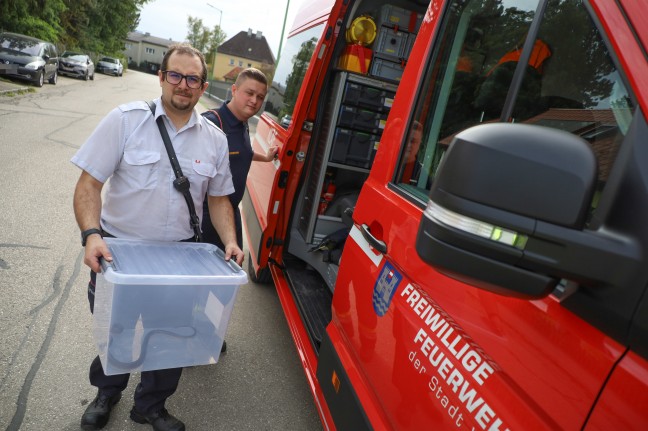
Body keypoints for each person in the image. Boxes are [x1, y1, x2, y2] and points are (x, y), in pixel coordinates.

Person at [71, 43, 244, 431]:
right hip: (119, 255)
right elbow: (88, 185)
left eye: (193, 78)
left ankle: (150, 406)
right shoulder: (125, 121)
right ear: (162, 77)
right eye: (176, 76)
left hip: (179, 260)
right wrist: (91, 235)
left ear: (202, 86)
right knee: (116, 328)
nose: (183, 85)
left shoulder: (215, 140)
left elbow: (218, 201)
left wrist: (230, 241)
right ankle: (106, 393)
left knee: (170, 335)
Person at [200, 67, 278, 251]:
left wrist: (265, 158)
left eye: (260, 97)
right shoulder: (211, 123)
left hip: (231, 213)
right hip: (208, 217)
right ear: (234, 90)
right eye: (249, 93)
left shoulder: (244, 123)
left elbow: (241, 154)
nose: (254, 101)